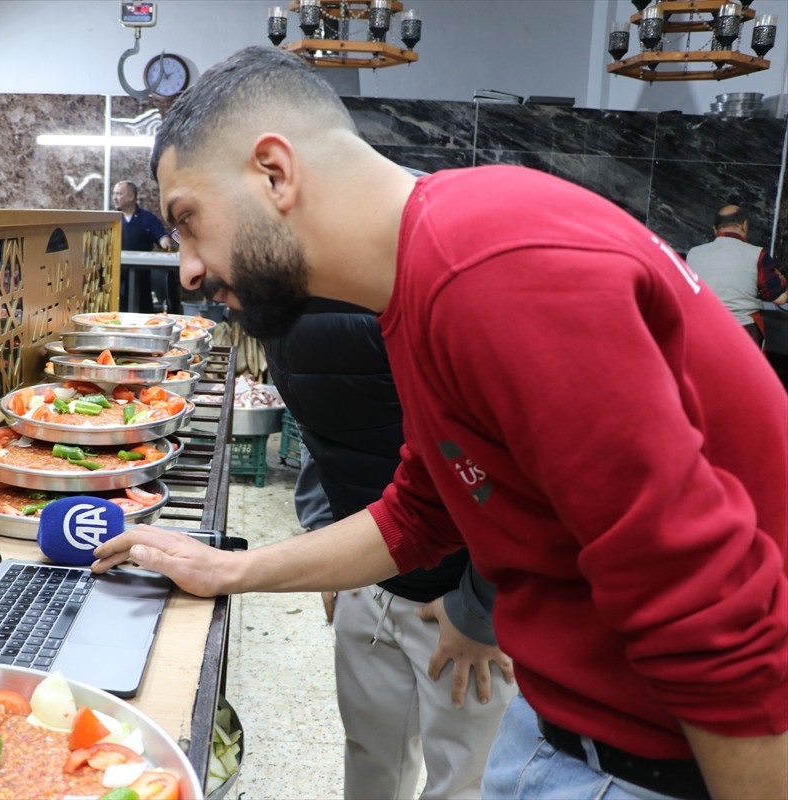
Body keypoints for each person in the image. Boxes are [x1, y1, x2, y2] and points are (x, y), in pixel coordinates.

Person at [93, 46, 787, 800]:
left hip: (658, 761)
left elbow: (709, 607)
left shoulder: (486, 265)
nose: (188, 269)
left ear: (274, 173)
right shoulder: (418, 287)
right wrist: (232, 571)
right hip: (565, 727)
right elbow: (420, 513)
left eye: (190, 223)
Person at [268, 297, 516, 799]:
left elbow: (510, 468)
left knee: (463, 779)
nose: (192, 271)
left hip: (460, 600)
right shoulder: (280, 312)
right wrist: (330, 550)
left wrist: (480, 608)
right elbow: (327, 440)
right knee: (370, 756)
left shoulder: (431, 304)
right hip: (370, 582)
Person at [685, 204, 788, 347]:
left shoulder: (693, 254)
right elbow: (781, 298)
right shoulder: (758, 255)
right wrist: (781, 279)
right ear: (744, 226)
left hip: (700, 332)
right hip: (742, 333)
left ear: (715, 229)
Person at [112, 180, 174, 313]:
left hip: (143, 275)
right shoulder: (110, 219)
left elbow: (162, 237)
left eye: (118, 194)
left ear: (131, 196)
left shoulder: (147, 218)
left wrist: (165, 242)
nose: (115, 198)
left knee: (142, 308)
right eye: (114, 194)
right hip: (117, 274)